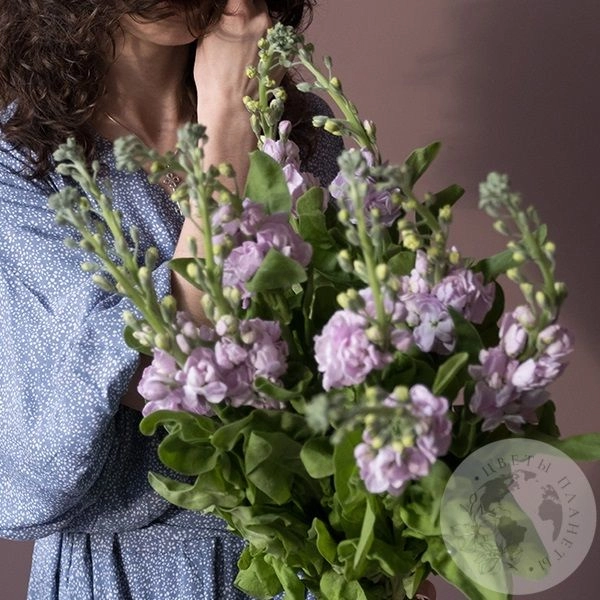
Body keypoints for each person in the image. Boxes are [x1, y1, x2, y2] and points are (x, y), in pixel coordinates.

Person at [0, 1, 437, 598]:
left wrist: (399, 553)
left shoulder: (298, 126)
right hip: (139, 577)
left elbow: (384, 350)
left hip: (321, 561)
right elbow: (169, 378)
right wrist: (227, 125)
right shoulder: (21, 164)